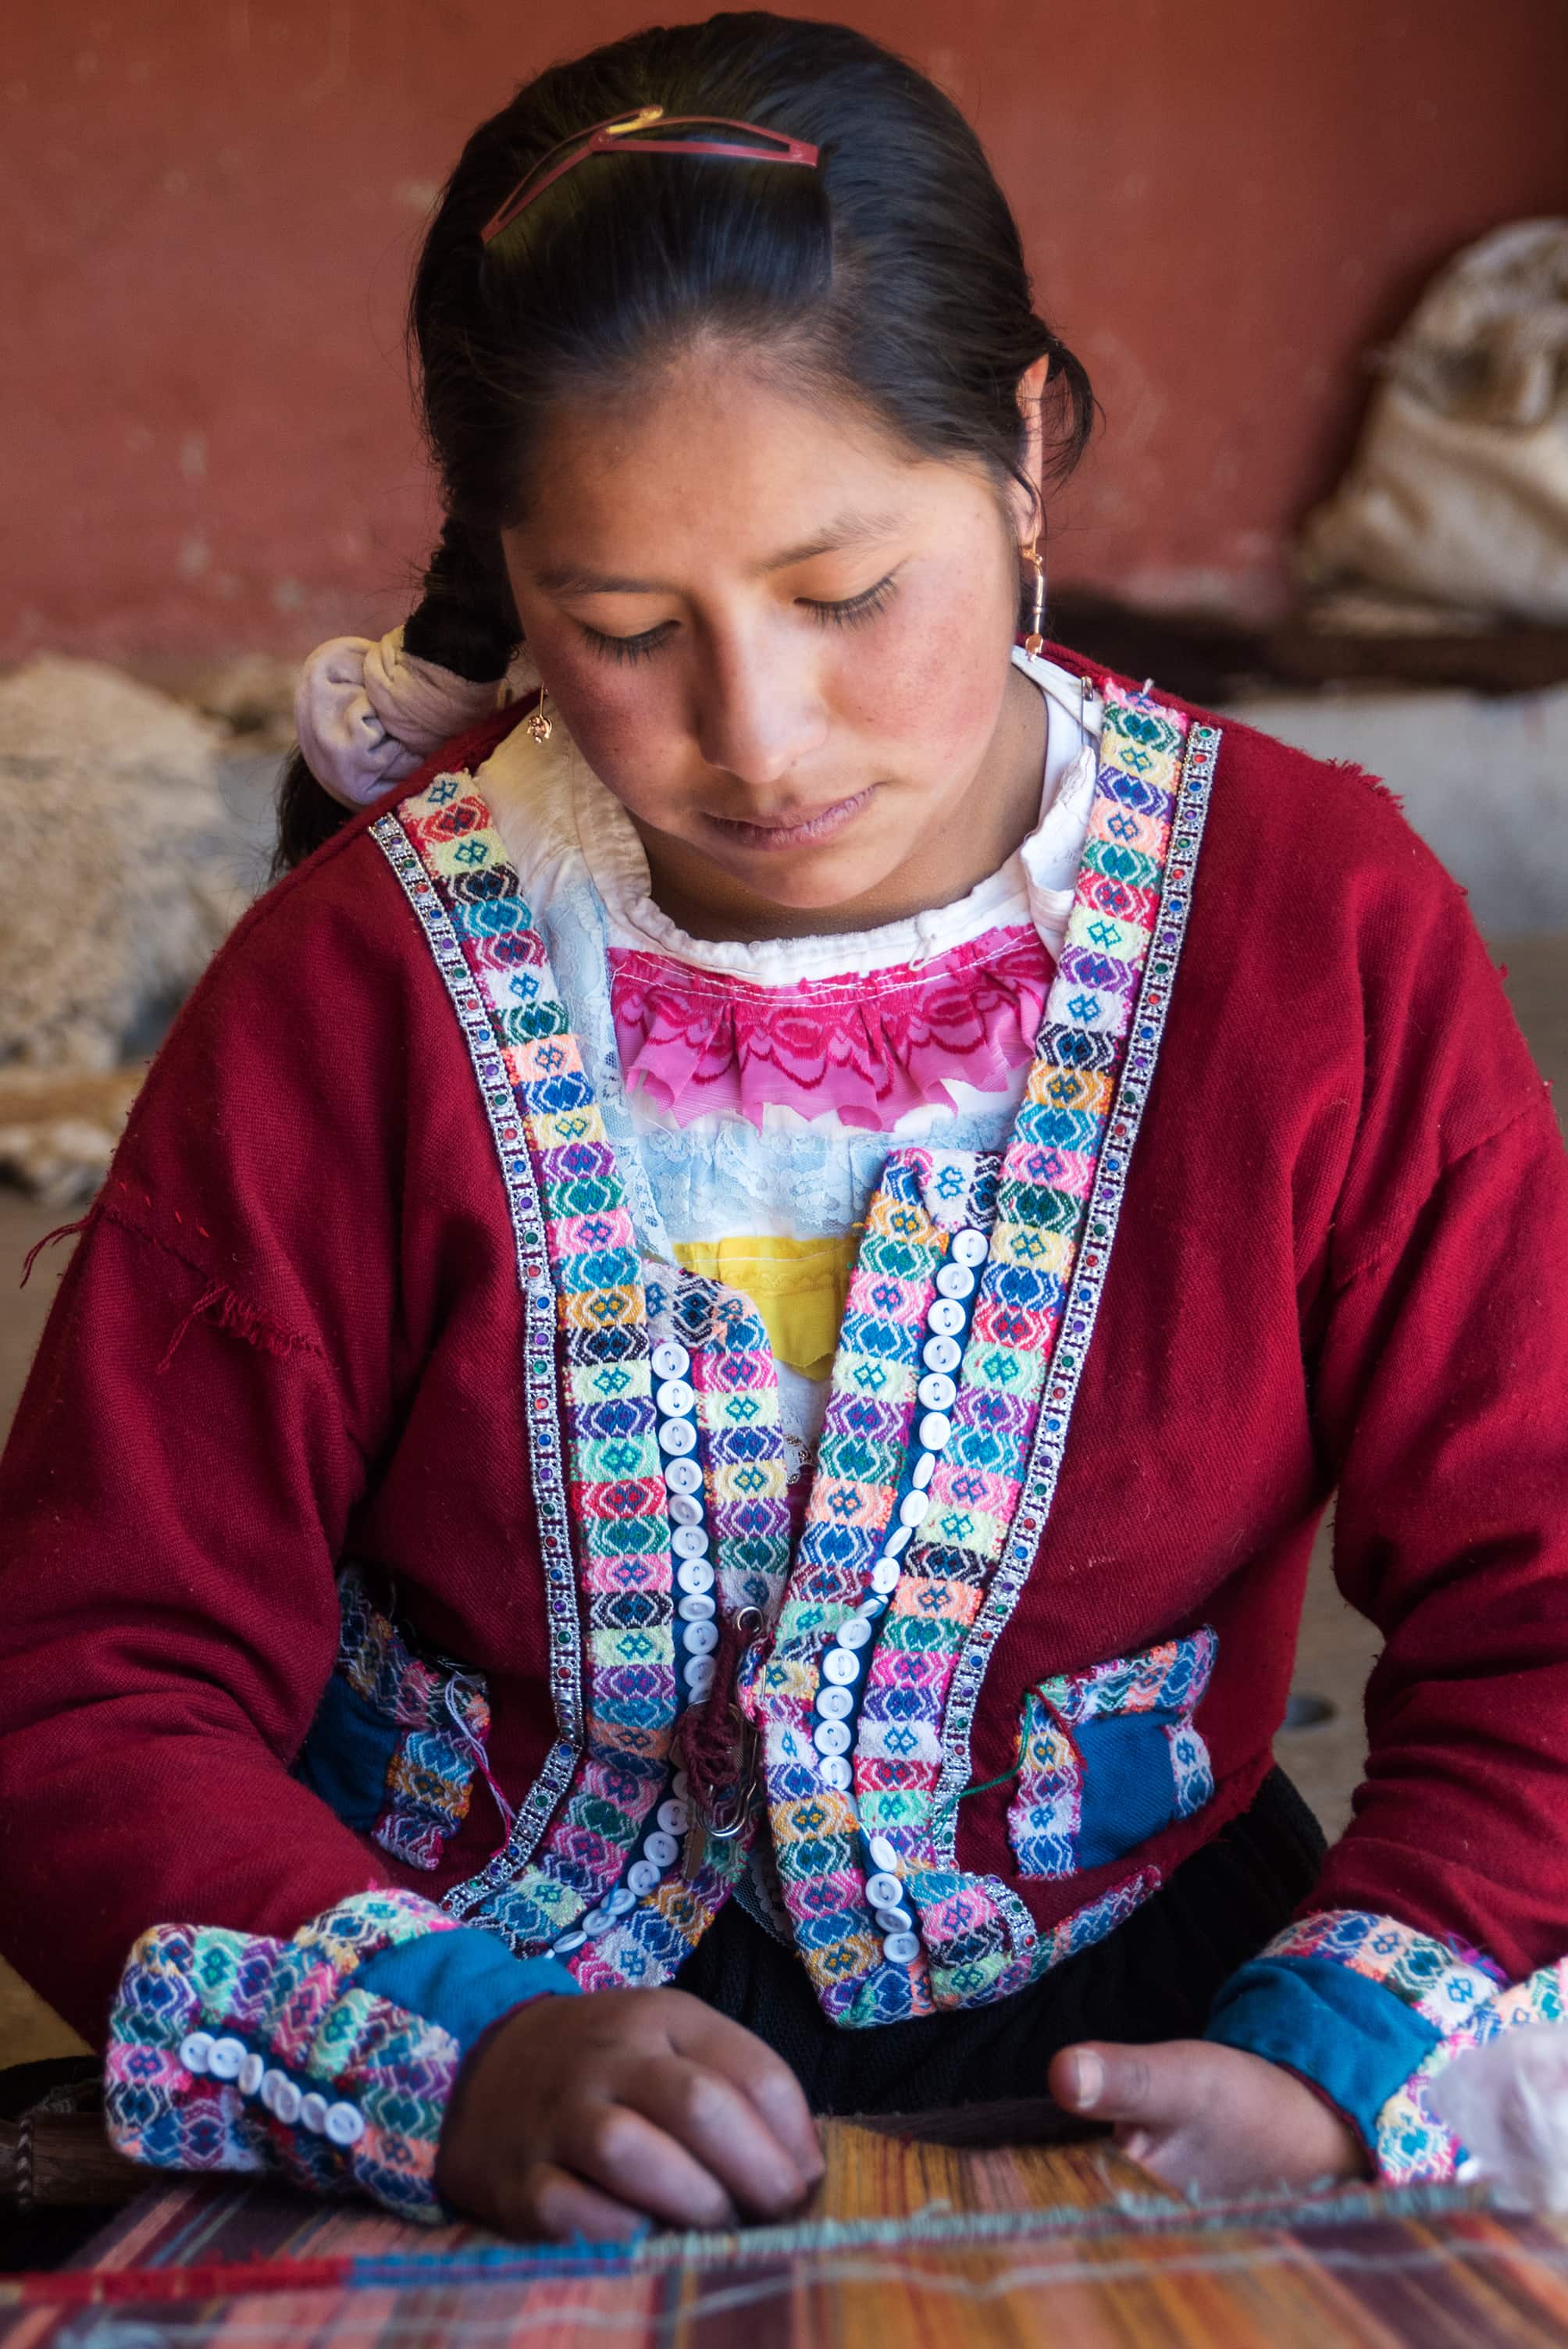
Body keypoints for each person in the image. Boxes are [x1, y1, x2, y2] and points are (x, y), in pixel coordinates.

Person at [2, 10, 1566, 2244]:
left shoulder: (1318, 934)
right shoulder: (362, 989)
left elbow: (1547, 1606)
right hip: (465, 2024)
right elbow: (87, 1675)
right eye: (623, 626)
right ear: (504, 572)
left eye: (848, 597)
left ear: (1027, 450)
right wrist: (448, 2052)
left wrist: (1325, 2061)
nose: (757, 735)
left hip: (1162, 2025)